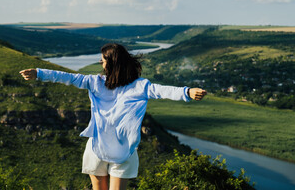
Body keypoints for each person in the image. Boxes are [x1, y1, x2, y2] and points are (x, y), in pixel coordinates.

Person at [19, 43, 206, 190]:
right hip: (99, 146)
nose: (101, 63)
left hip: (120, 150)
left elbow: (162, 90)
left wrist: (187, 92)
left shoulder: (139, 86)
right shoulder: (95, 82)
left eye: (103, 60)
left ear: (113, 62)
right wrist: (40, 73)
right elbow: (68, 77)